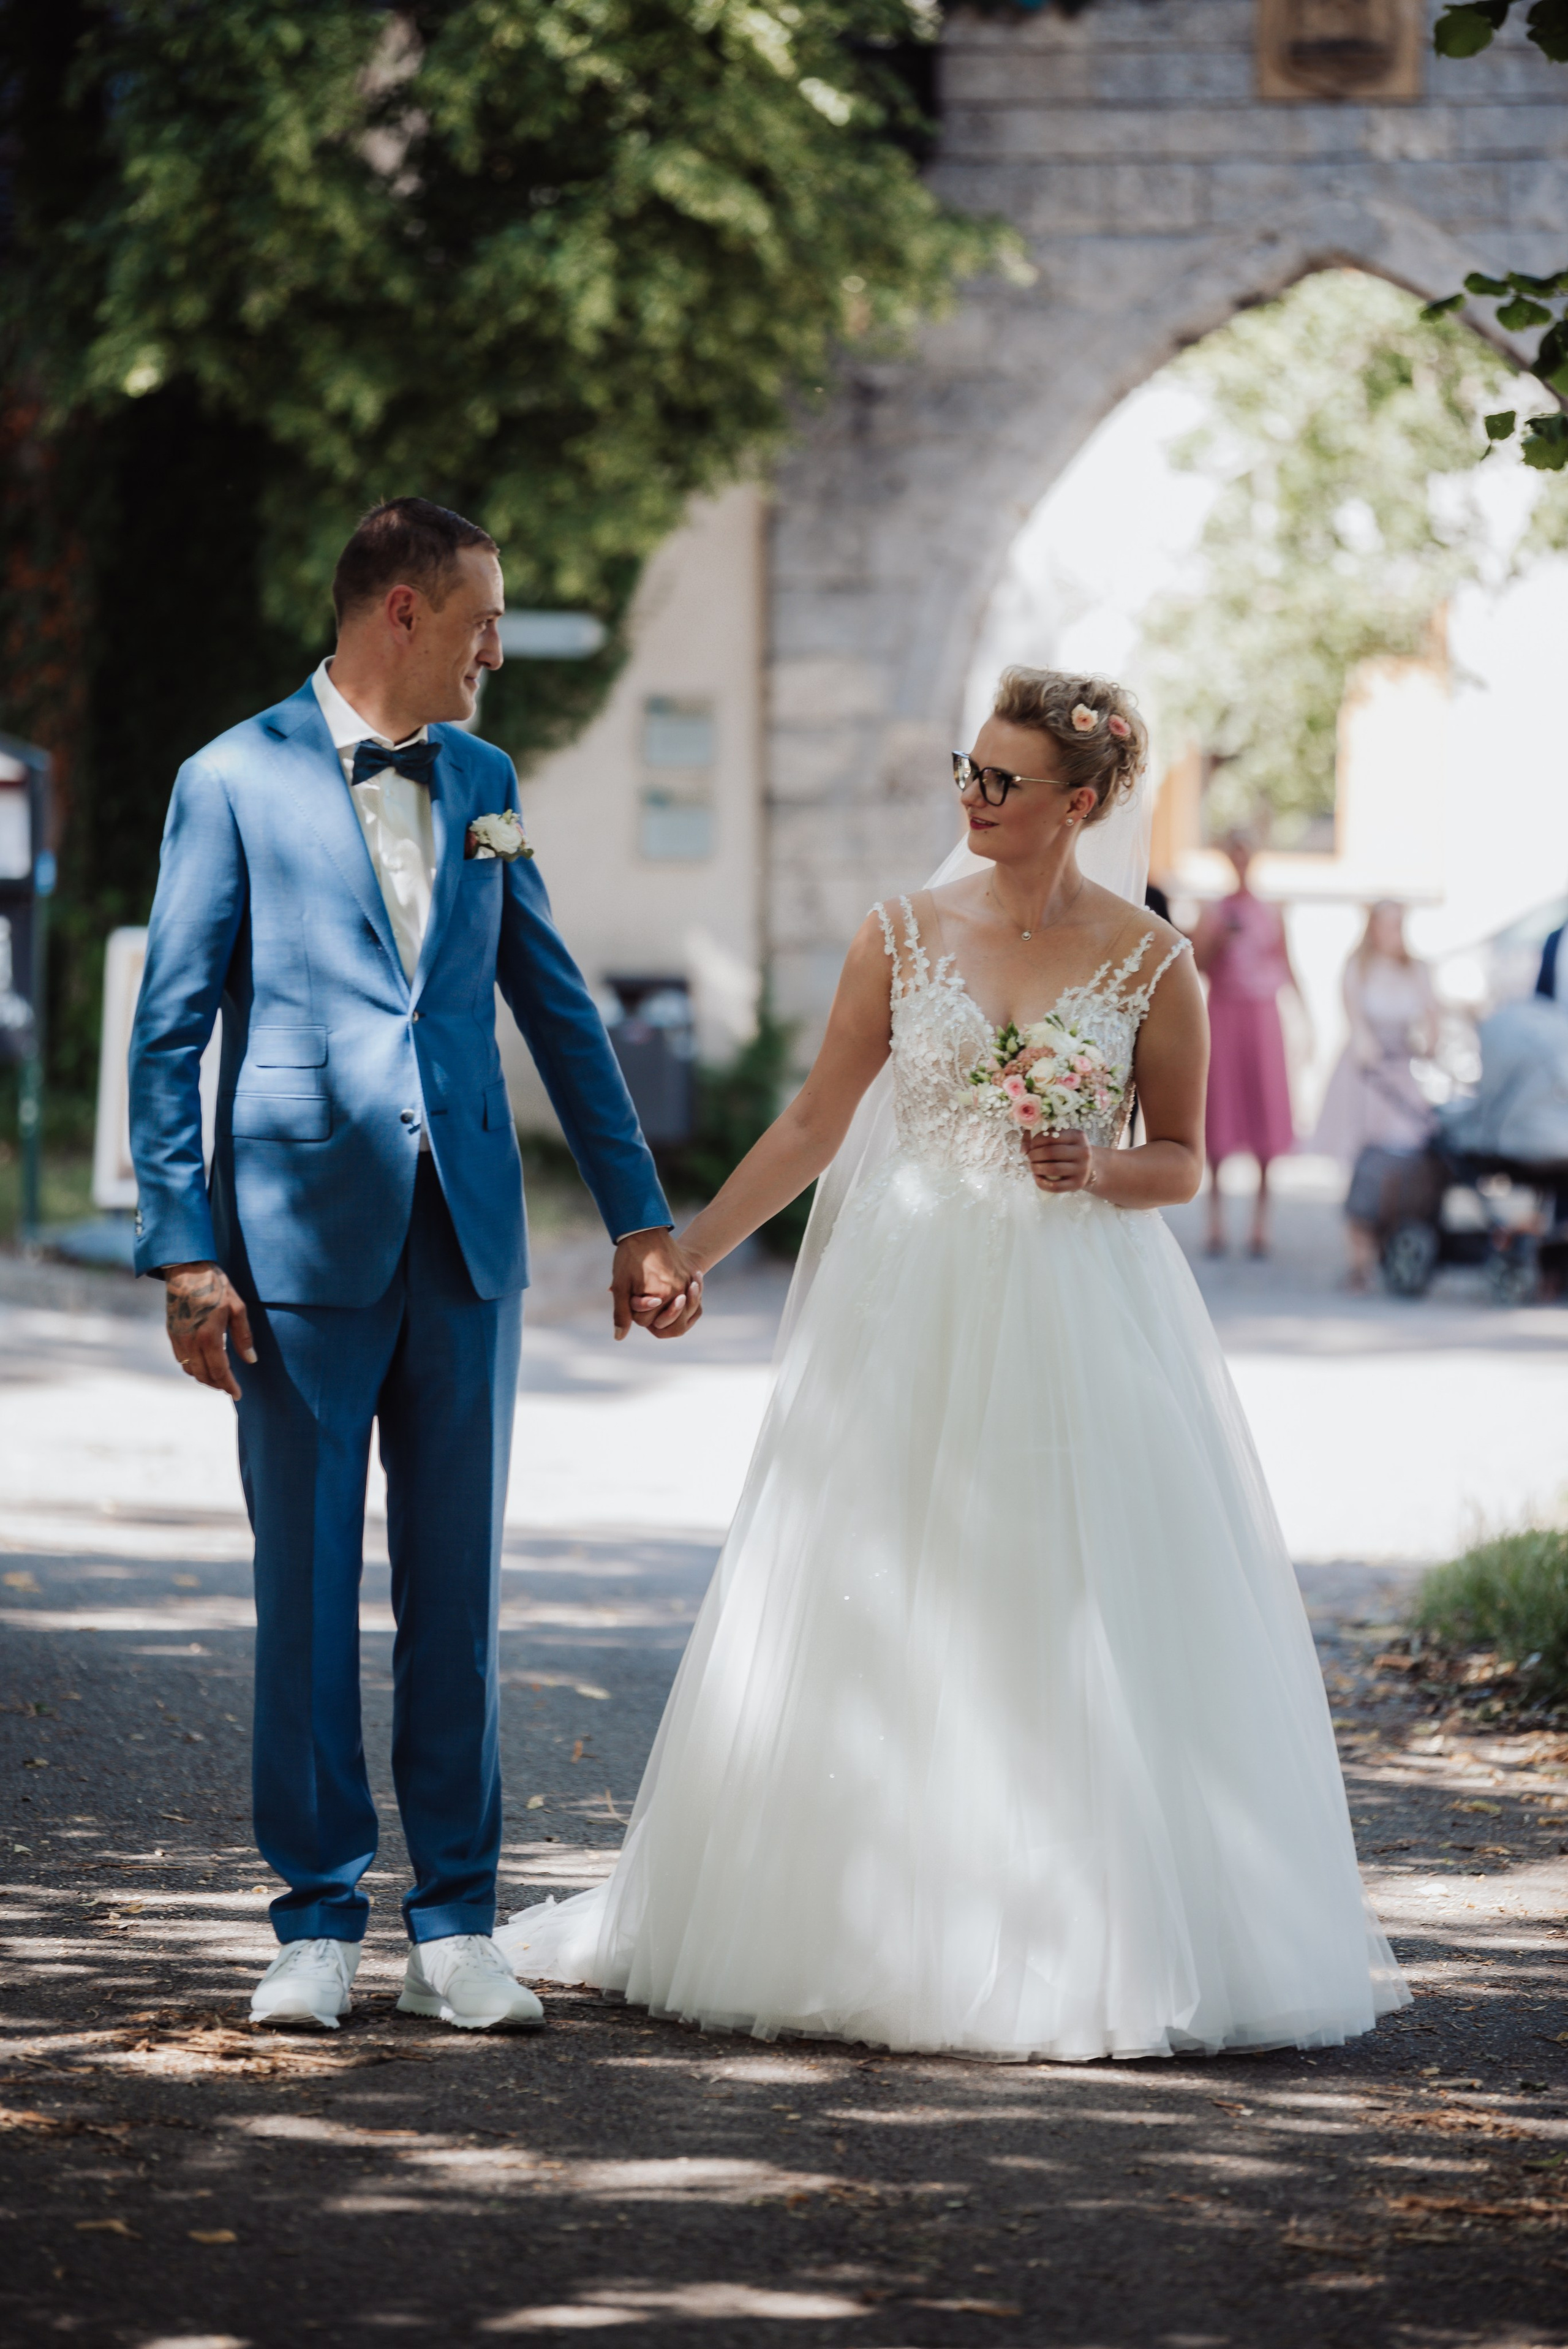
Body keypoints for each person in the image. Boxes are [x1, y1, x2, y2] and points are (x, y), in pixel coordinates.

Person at [497, 668, 1408, 2062]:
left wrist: (1099, 1165)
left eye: (1002, 779)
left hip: (1077, 1304)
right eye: (966, 771)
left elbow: (1182, 1158)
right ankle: (857, 1916)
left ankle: (1069, 1924)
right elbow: (814, 1122)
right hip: (908, 1295)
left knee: (1065, 1593)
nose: (972, 797)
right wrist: (686, 1251)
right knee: (884, 1580)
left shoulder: (1151, 961)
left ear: (1080, 803)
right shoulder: (898, 933)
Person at [128, 498, 703, 2034]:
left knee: (458, 1600)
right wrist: (184, 1251)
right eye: (481, 621)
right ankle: (315, 1921)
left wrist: (640, 1216)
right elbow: (170, 1029)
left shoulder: (487, 782)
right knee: (305, 1595)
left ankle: (454, 1922)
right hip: (293, 1252)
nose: (494, 651)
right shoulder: (229, 779)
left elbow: (554, 1003)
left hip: (466, 1244)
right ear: (402, 610)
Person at [1313, 902, 1438, 1291]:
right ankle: (1359, 1258)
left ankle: (1391, 1245)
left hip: (1401, 1072)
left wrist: (1429, 1044)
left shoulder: (1416, 969)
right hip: (1365, 1077)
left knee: (1402, 1160)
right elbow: (1356, 1020)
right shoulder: (1359, 967)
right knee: (1361, 1163)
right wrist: (1367, 1047)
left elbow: (1432, 1017)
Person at [1192, 831, 1300, 1259]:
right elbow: (1197, 965)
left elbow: (1287, 964)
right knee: (1219, 1107)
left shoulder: (1272, 911)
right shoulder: (1212, 911)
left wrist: (1304, 1017)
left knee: (1265, 1109)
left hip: (1262, 1016)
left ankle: (1261, 1223)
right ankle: (1215, 1220)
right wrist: (1219, 938)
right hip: (1223, 1013)